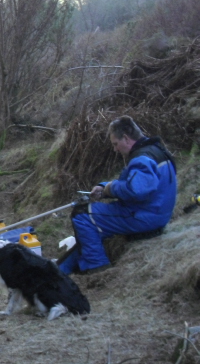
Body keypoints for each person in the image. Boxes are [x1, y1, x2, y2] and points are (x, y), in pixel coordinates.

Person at [58, 116, 177, 275]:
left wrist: (110, 189)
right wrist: (103, 186)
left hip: (145, 216)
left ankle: (97, 268)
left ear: (126, 139)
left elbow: (137, 190)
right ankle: (61, 269)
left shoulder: (142, 159)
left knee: (82, 215)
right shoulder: (155, 150)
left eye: (115, 144)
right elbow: (135, 182)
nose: (115, 149)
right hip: (155, 211)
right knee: (90, 224)